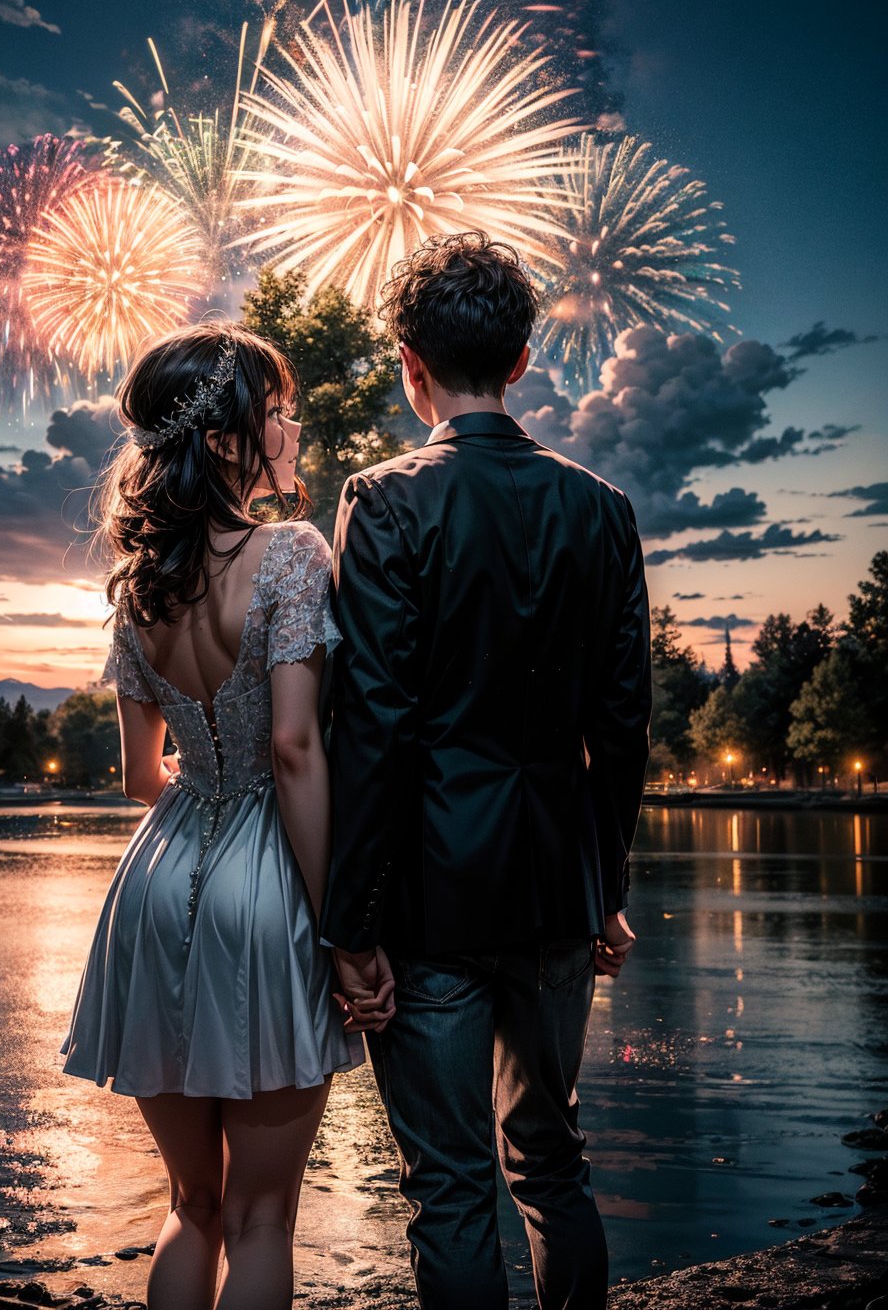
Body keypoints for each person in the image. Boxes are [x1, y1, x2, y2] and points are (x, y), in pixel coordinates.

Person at [321, 232, 652, 1310]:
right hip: (558, 886)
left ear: (407, 362)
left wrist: (351, 926)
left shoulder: (383, 501)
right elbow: (623, 727)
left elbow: (371, 726)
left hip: (426, 896)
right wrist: (604, 890)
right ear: (520, 362)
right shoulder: (602, 509)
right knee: (553, 1162)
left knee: (450, 1187)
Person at [60, 322, 386, 1310]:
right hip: (269, 883)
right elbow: (294, 750)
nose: (291, 422)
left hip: (153, 882)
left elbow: (135, 777)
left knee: (190, 1203)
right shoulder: (288, 554)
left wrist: (198, 802)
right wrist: (342, 937)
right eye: (275, 409)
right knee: (259, 1217)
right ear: (228, 438)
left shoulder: (138, 587)